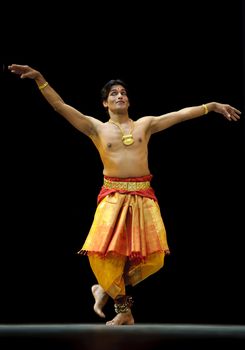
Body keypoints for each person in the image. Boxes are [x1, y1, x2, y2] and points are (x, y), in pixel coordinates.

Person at [8, 64, 241, 326]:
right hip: (112, 196)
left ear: (128, 100)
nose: (120, 96)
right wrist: (40, 79)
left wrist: (211, 105)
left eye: (123, 93)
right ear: (105, 104)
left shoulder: (145, 124)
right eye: (113, 94)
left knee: (153, 258)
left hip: (143, 197)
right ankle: (123, 309)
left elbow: (180, 114)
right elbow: (61, 106)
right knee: (102, 254)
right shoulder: (96, 128)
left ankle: (104, 289)